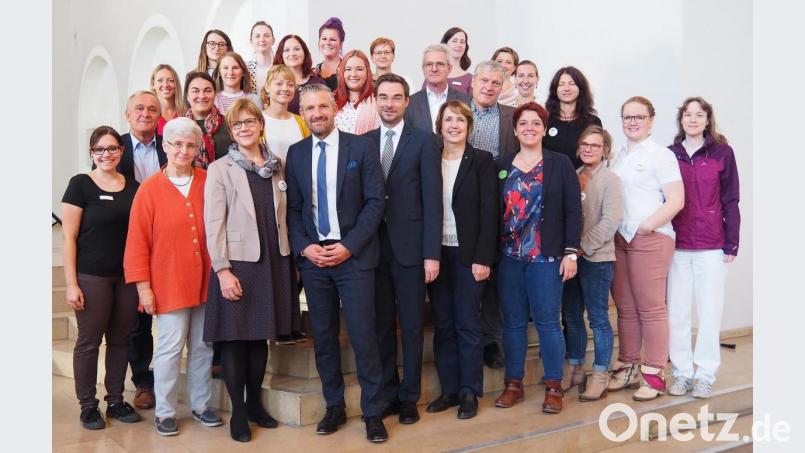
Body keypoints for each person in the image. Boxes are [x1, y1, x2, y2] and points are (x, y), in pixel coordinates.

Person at [285, 84, 388, 443]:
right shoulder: (295, 154)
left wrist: (349, 246)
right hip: (315, 260)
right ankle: (335, 407)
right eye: (309, 108)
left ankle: (373, 413)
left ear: (334, 108)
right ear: (303, 112)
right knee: (325, 337)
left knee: (363, 336)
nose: (316, 113)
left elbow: (375, 203)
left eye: (322, 106)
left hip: (354, 257)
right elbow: (294, 210)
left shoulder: (361, 147)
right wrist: (305, 248)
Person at [204, 99, 298, 441]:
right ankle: (239, 413)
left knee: (261, 337)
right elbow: (213, 223)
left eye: (249, 121)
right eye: (237, 124)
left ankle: (256, 404)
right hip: (239, 263)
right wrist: (222, 270)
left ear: (261, 125)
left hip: (274, 258)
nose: (244, 128)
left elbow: (286, 215)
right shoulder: (220, 168)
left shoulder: (278, 166)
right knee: (234, 340)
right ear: (232, 131)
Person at [124, 117, 223, 436]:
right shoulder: (149, 190)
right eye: (176, 143)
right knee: (168, 348)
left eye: (190, 145)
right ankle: (165, 411)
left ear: (198, 148)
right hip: (168, 284)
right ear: (164, 146)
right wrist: (144, 288)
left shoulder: (210, 180)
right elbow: (137, 242)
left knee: (203, 346)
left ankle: (201, 405)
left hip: (207, 281)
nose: (183, 150)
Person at [362, 74, 442, 424]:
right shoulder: (361, 142)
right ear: (375, 101)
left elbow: (432, 201)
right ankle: (389, 393)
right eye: (383, 97)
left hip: (411, 251)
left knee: (410, 326)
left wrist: (431, 253)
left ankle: (410, 396)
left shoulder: (425, 142)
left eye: (396, 97)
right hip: (372, 251)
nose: (389, 103)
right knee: (379, 327)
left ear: (407, 102)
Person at [494, 102, 582, 414]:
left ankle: (554, 387)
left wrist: (571, 252)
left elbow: (573, 210)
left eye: (535, 123)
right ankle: (513, 385)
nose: (529, 128)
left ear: (544, 129)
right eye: (523, 123)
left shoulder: (560, 164)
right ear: (515, 129)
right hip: (509, 258)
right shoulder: (501, 164)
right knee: (514, 323)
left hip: (547, 258)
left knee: (548, 323)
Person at [62, 126, 142, 430]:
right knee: (89, 342)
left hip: (126, 278)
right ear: (92, 153)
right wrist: (72, 283)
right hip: (91, 276)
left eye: (112, 148)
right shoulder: (80, 185)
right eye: (100, 150)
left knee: (121, 340)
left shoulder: (134, 187)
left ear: (121, 152)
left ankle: (116, 400)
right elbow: (69, 237)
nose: (106, 154)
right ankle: (87, 406)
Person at [608, 96, 684, 401]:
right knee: (625, 308)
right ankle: (628, 364)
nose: (633, 122)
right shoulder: (618, 156)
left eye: (639, 117)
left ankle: (653, 374)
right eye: (627, 117)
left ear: (651, 120)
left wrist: (648, 225)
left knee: (651, 309)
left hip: (650, 237)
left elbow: (676, 200)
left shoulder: (661, 156)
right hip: (620, 240)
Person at [425, 100, 498, 420]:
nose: (453, 125)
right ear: (439, 125)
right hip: (437, 253)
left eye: (460, 120)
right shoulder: (429, 159)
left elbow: (490, 213)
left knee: (467, 323)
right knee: (443, 325)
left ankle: (470, 390)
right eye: (448, 119)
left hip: (470, 255)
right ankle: (450, 389)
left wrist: (484, 258)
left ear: (469, 127)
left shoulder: (482, 161)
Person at [666, 97, 740, 399]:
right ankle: (682, 373)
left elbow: (731, 199)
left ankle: (705, 374)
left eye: (699, 114)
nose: (693, 119)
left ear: (708, 120)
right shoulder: (670, 154)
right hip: (678, 244)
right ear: (681, 120)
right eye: (688, 114)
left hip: (712, 244)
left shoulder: (723, 153)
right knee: (678, 313)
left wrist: (732, 241)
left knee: (710, 311)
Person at [105, 90, 165, 410]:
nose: (145, 113)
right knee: (135, 319)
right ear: (127, 114)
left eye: (152, 109)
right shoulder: (115, 150)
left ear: (159, 115)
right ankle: (143, 381)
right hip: (129, 244)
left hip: (168, 245)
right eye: (139, 108)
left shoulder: (169, 149)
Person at [561, 126, 623, 401]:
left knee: (597, 318)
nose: (588, 149)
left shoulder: (610, 179)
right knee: (571, 315)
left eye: (595, 146)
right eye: (584, 144)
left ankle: (600, 374)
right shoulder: (572, 176)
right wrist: (570, 252)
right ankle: (574, 367)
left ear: (605, 150)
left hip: (596, 259)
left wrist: (581, 248)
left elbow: (610, 221)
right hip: (571, 259)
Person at [468, 60, 518, 370]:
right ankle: (467, 338)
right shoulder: (455, 113)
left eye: (495, 83)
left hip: (500, 204)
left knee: (493, 276)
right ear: (472, 83)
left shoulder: (511, 118)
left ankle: (490, 341)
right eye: (483, 81)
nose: (488, 87)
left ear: (502, 88)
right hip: (458, 203)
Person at [260, 64, 311, 344]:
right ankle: (275, 322)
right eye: (278, 83)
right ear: (267, 87)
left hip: (297, 196)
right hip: (270, 196)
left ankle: (291, 321)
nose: (284, 88)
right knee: (277, 259)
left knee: (296, 259)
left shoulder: (299, 121)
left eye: (289, 84)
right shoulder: (260, 120)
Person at [543, 66, 602, 169]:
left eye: (572, 83)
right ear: (555, 90)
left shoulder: (592, 122)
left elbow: (597, 156)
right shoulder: (545, 120)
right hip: (549, 179)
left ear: (580, 88)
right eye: (561, 84)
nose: (566, 88)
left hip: (582, 180)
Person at [405, 44, 471, 134]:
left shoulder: (465, 101)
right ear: (423, 69)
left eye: (440, 64)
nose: (434, 69)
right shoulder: (410, 103)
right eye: (429, 64)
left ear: (449, 68)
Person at [183, 72, 233, 168]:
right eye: (195, 91)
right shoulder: (179, 126)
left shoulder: (229, 124)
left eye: (207, 91)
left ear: (215, 94)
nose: (202, 96)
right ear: (187, 96)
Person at [272, 34, 327, 115]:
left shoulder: (319, 83)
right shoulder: (275, 84)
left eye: (297, 49)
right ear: (281, 55)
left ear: (304, 53)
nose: (292, 53)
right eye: (287, 50)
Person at [333, 50, 380, 135]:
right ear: (342, 72)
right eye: (348, 69)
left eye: (359, 69)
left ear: (367, 72)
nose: (353, 74)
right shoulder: (331, 100)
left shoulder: (379, 101)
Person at [313, 17, 345, 90]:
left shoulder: (348, 71)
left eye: (333, 39)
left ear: (341, 44)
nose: (327, 43)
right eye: (324, 39)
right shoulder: (313, 73)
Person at [150, 64, 182, 135]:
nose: (165, 85)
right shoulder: (148, 114)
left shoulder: (186, 113)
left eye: (170, 80)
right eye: (160, 80)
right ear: (153, 84)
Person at [440, 27, 473, 95]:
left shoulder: (471, 79)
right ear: (445, 44)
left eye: (462, 42)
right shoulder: (433, 74)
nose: (459, 45)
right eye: (454, 41)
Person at [246, 21, 275, 95]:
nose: (262, 39)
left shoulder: (280, 66)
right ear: (251, 41)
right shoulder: (245, 68)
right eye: (257, 36)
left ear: (273, 40)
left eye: (267, 35)